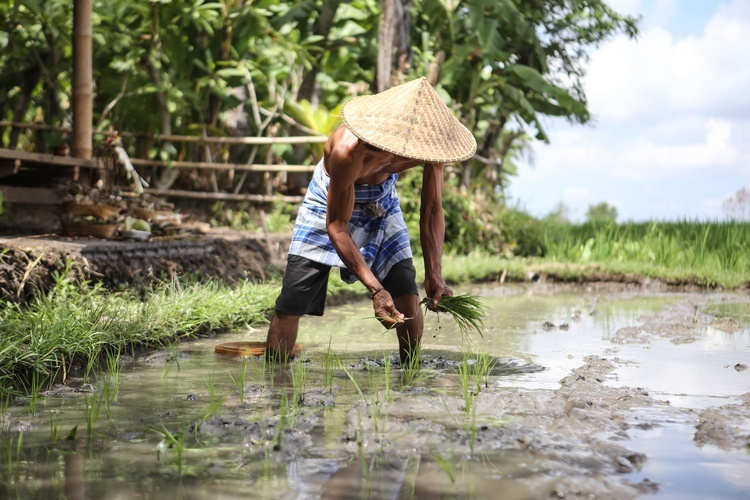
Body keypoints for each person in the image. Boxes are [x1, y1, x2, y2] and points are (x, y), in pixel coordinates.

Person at [265, 77, 477, 363]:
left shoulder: (428, 148)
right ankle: (274, 378)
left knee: (404, 286)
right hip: (328, 200)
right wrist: (376, 289)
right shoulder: (348, 151)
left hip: (382, 201)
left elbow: (431, 210)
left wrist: (435, 274)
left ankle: (410, 377)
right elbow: (336, 226)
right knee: (293, 299)